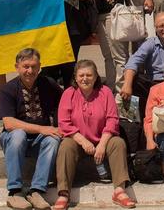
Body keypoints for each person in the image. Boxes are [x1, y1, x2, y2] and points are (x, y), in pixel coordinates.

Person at [54, 60, 135, 210]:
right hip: (77, 141)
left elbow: (112, 120)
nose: (85, 79)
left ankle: (119, 190)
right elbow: (64, 123)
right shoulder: (68, 93)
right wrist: (83, 141)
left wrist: (102, 144)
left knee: (118, 143)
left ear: (96, 76)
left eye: (89, 75)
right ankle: (64, 193)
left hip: (101, 139)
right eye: (81, 75)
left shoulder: (105, 92)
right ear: (76, 77)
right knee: (65, 146)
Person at [0, 48, 63, 210]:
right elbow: (9, 123)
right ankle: (15, 192)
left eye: (34, 66)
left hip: (38, 141)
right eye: (26, 66)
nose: (30, 71)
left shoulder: (48, 84)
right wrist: (42, 128)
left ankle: (36, 191)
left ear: (40, 66)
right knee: (18, 134)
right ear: (17, 66)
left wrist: (60, 126)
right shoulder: (8, 88)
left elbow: (64, 103)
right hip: (13, 140)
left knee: (53, 139)